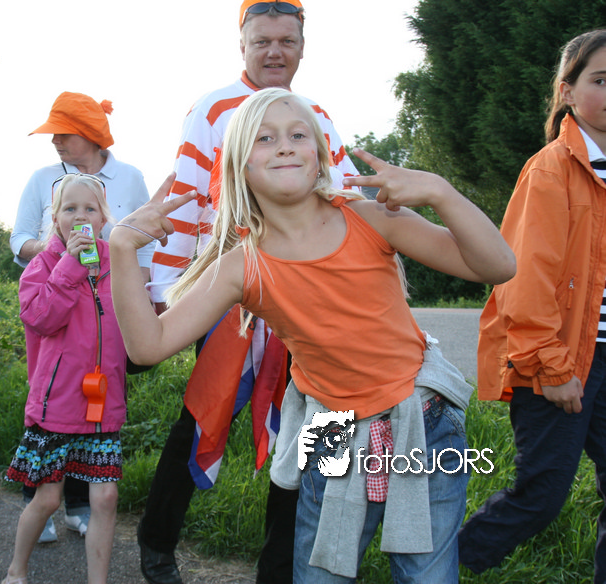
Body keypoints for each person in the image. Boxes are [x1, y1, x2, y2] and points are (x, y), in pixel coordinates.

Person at [110, 88, 515, 582]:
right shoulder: (242, 266)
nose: (284, 145)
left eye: (298, 135)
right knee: (319, 575)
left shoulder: (370, 217)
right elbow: (147, 346)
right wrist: (122, 247)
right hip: (331, 434)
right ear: (239, 166)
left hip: (423, 423)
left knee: (426, 575)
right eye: (264, 139)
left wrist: (440, 192)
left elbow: (498, 266)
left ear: (321, 155)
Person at [139, 2, 357, 583]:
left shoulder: (318, 116)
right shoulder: (213, 108)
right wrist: (164, 290)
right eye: (262, 41)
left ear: (303, 46)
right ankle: (156, 541)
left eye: (287, 40)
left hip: (308, 299)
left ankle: (281, 568)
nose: (274, 52)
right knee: (204, 414)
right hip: (230, 293)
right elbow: (184, 200)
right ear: (242, 45)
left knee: (313, 429)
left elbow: (343, 199)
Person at [458, 29, 606, 581]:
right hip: (561, 362)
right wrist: (553, 367)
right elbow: (523, 279)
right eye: (601, 80)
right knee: (541, 494)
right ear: (567, 92)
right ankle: (438, 568)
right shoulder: (551, 170)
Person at [9, 91, 153, 541]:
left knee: (96, 406)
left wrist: (138, 297)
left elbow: (142, 246)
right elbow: (19, 238)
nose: (54, 141)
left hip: (109, 306)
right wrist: (61, 253)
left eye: (63, 133)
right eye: (53, 134)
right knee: (58, 402)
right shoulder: (43, 178)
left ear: (90, 135)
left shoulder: (129, 178)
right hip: (61, 295)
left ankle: (78, 507)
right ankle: (41, 502)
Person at [2, 174, 128, 584]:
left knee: (105, 497)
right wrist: (70, 266)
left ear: (104, 218)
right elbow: (40, 318)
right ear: (55, 218)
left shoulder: (116, 262)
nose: (81, 217)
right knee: (48, 498)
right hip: (56, 403)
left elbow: (135, 319)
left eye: (90, 209)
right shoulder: (40, 267)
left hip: (103, 401)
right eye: (70, 209)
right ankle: (17, 570)